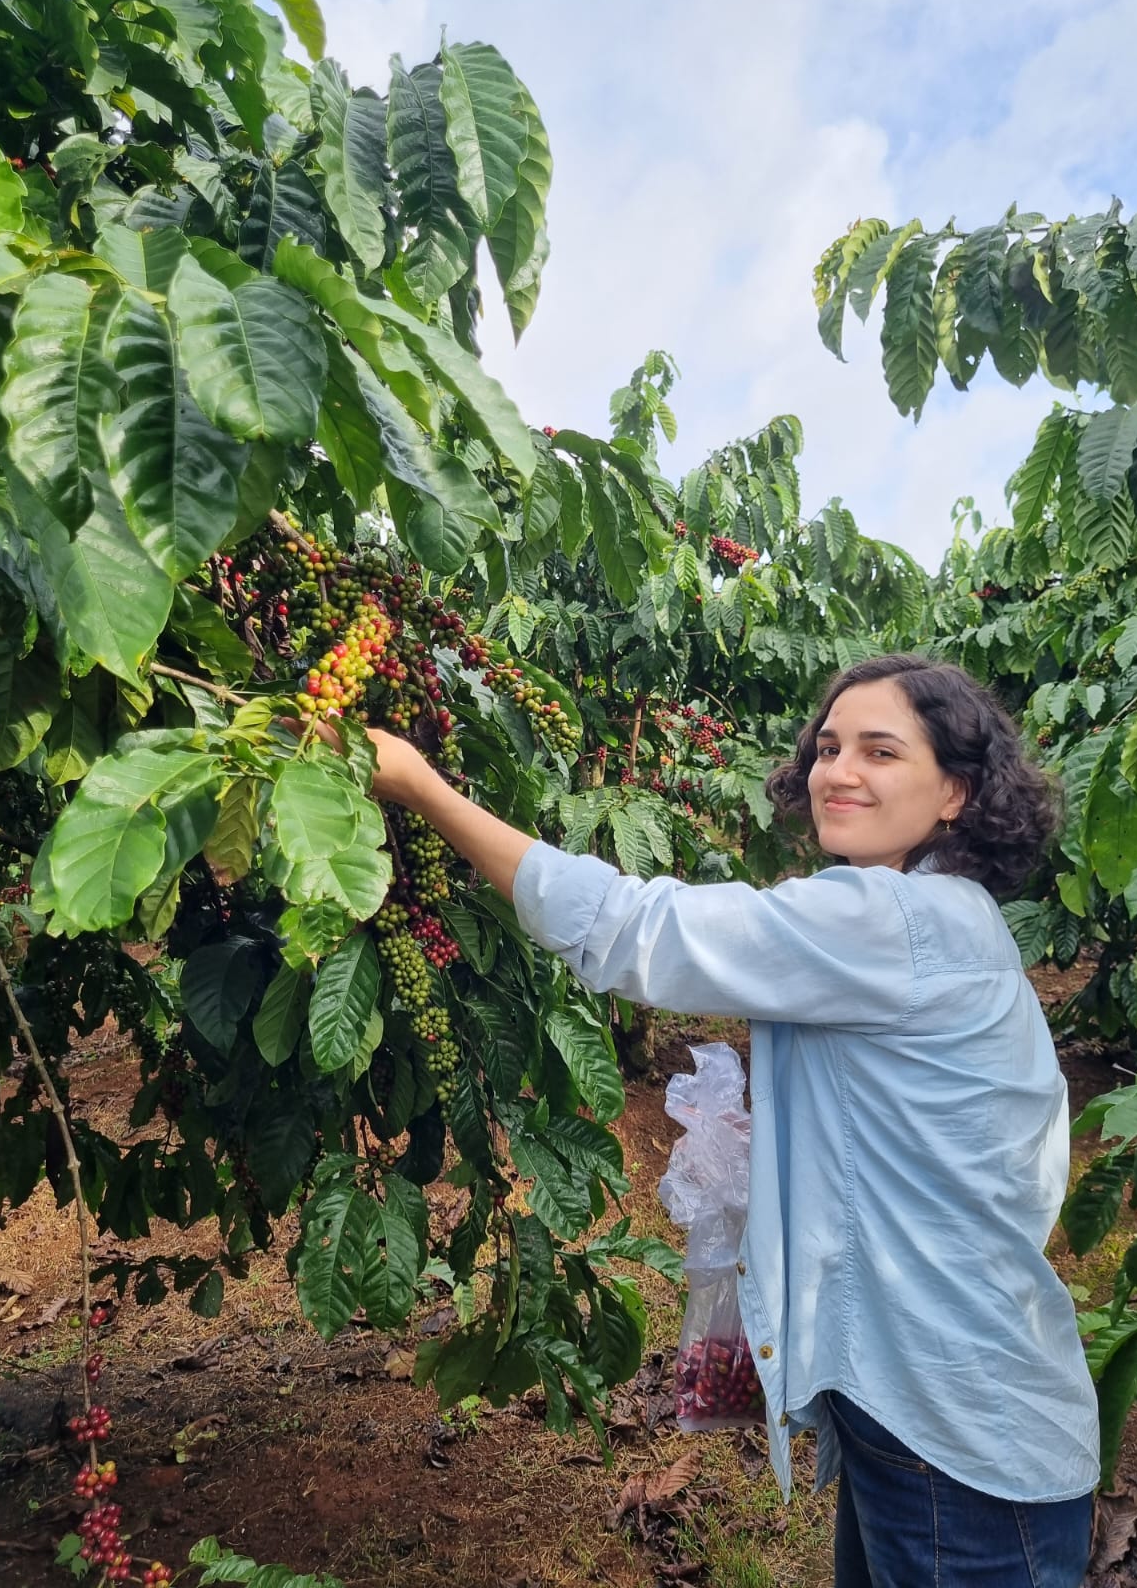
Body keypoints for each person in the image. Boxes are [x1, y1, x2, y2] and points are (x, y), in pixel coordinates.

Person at [345, 651, 1098, 1588]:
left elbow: (630, 930)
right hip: (933, 1406)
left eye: (880, 751)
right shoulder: (955, 918)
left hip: (954, 1436)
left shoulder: (889, 918)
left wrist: (421, 787)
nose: (840, 772)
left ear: (956, 791)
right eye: (827, 747)